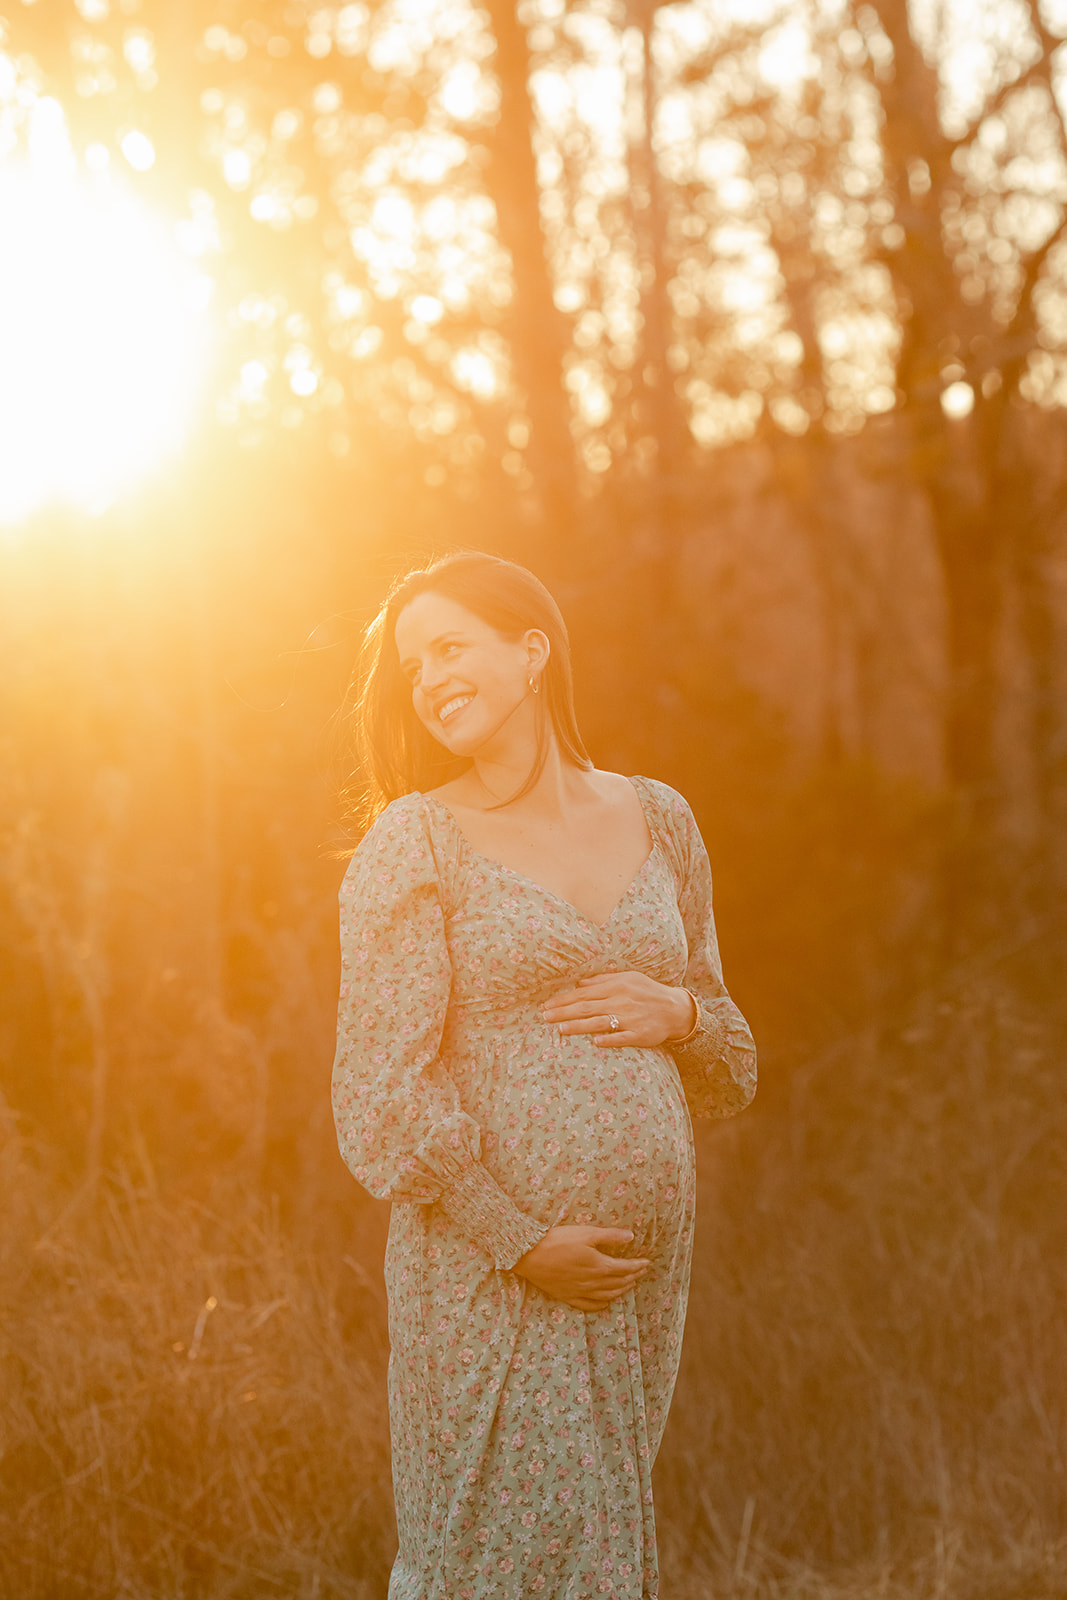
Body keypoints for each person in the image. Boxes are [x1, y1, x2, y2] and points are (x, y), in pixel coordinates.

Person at [331, 550, 756, 1600]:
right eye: (410, 666)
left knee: (597, 1555)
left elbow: (733, 1059)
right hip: (485, 1268)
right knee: (501, 1563)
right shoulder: (416, 840)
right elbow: (378, 1093)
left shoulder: (660, 818)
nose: (426, 680)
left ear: (530, 651)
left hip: (632, 1281)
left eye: (448, 646)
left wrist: (679, 1011)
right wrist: (520, 1243)